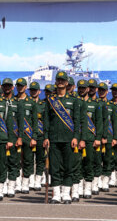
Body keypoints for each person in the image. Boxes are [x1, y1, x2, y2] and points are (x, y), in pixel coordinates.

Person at [43, 71, 81, 204]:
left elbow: (77, 121)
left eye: (62, 80)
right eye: (58, 80)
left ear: (67, 83)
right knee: (54, 167)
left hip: (69, 139)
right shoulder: (50, 100)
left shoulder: (74, 101)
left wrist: (76, 137)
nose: (60, 82)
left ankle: (66, 194)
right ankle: (56, 195)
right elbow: (46, 120)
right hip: (53, 139)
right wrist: (46, 137)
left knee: (68, 166)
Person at [14, 78, 38, 194]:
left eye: (22, 86)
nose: (20, 88)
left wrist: (34, 137)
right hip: (15, 136)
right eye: (18, 86)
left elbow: (35, 122)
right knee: (15, 160)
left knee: (28, 161)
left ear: (25, 87)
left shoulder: (31, 102)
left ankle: (25, 184)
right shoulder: (12, 101)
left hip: (28, 136)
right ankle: (17, 184)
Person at [1, 78, 23, 198]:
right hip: (2, 136)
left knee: (14, 162)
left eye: (9, 86)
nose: (7, 88)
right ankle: (3, 184)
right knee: (1, 162)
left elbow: (21, 122)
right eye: (5, 86)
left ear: (12, 87)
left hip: (14, 137)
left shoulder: (18, 103)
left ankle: (11, 186)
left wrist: (20, 137)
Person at [97, 82, 117, 193]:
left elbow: (115, 123)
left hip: (109, 138)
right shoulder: (95, 104)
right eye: (99, 90)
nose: (101, 92)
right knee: (97, 160)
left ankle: (105, 180)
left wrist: (115, 138)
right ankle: (98, 180)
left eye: (103, 90)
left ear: (107, 92)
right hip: (97, 138)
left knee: (108, 160)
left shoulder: (111, 106)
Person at [87, 79, 103, 195]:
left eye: (93, 87)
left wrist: (100, 137)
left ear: (96, 89)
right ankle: (85, 184)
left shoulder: (100, 104)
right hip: (84, 138)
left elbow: (102, 123)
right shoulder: (81, 102)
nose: (91, 89)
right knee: (84, 162)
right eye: (90, 87)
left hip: (95, 137)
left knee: (96, 161)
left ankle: (95, 184)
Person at [29, 82, 46, 191]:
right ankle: (30, 180)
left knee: (40, 159)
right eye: (32, 90)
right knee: (29, 159)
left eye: (35, 90)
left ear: (39, 91)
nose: (34, 92)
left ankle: (38, 179)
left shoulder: (44, 105)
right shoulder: (27, 103)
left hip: (41, 135)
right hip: (29, 135)